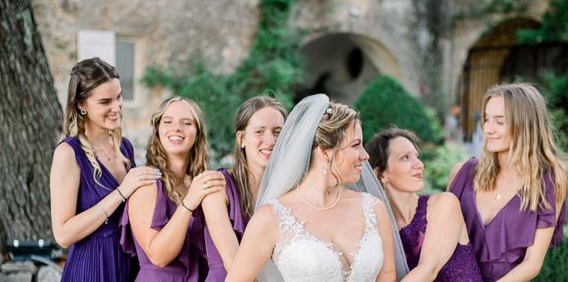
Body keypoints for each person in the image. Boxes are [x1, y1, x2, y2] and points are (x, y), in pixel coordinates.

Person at [225, 94, 408, 282]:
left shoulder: (373, 208)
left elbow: (387, 276)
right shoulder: (271, 217)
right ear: (324, 151)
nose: (365, 155)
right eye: (355, 145)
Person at [50, 57, 160, 281]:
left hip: (128, 264)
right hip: (92, 268)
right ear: (81, 105)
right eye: (105, 102)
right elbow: (62, 234)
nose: (116, 107)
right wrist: (121, 192)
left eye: (118, 97)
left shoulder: (124, 147)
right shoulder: (69, 153)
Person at [448, 83, 568, 282]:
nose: (488, 129)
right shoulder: (462, 174)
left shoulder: (549, 184)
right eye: (486, 119)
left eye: (499, 121)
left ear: (525, 125)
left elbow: (532, 263)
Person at [121, 97, 226, 281]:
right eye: (167, 121)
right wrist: (189, 203)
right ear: (158, 130)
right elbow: (158, 256)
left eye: (186, 123)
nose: (176, 128)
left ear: (198, 133)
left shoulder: (199, 184)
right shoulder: (147, 182)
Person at [366, 128, 482, 282]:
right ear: (381, 174)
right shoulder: (381, 227)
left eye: (417, 156)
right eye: (405, 158)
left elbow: (429, 269)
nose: (419, 164)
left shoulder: (444, 203)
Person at [202, 95, 287, 280]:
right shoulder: (218, 188)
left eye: (277, 131)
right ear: (241, 139)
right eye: (259, 131)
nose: (270, 140)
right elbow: (233, 263)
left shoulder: (289, 192)